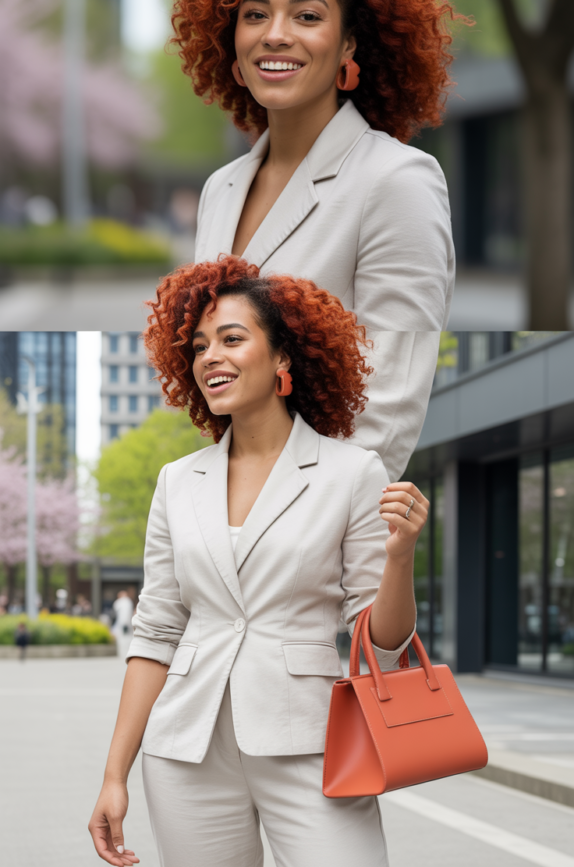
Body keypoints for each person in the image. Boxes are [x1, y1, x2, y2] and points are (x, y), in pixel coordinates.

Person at [88, 257, 429, 867]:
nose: (210, 356)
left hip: (314, 741)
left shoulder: (352, 473)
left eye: (232, 339)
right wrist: (115, 774)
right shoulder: (177, 482)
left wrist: (399, 557)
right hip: (186, 750)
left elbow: (379, 643)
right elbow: (157, 629)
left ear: (283, 360)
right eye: (197, 347)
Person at [167, 0, 460, 481]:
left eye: (306, 16)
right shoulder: (220, 190)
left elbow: (389, 407)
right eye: (254, 14)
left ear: (349, 44)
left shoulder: (397, 180)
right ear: (230, 41)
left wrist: (291, 519)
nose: (275, 36)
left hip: (324, 530)